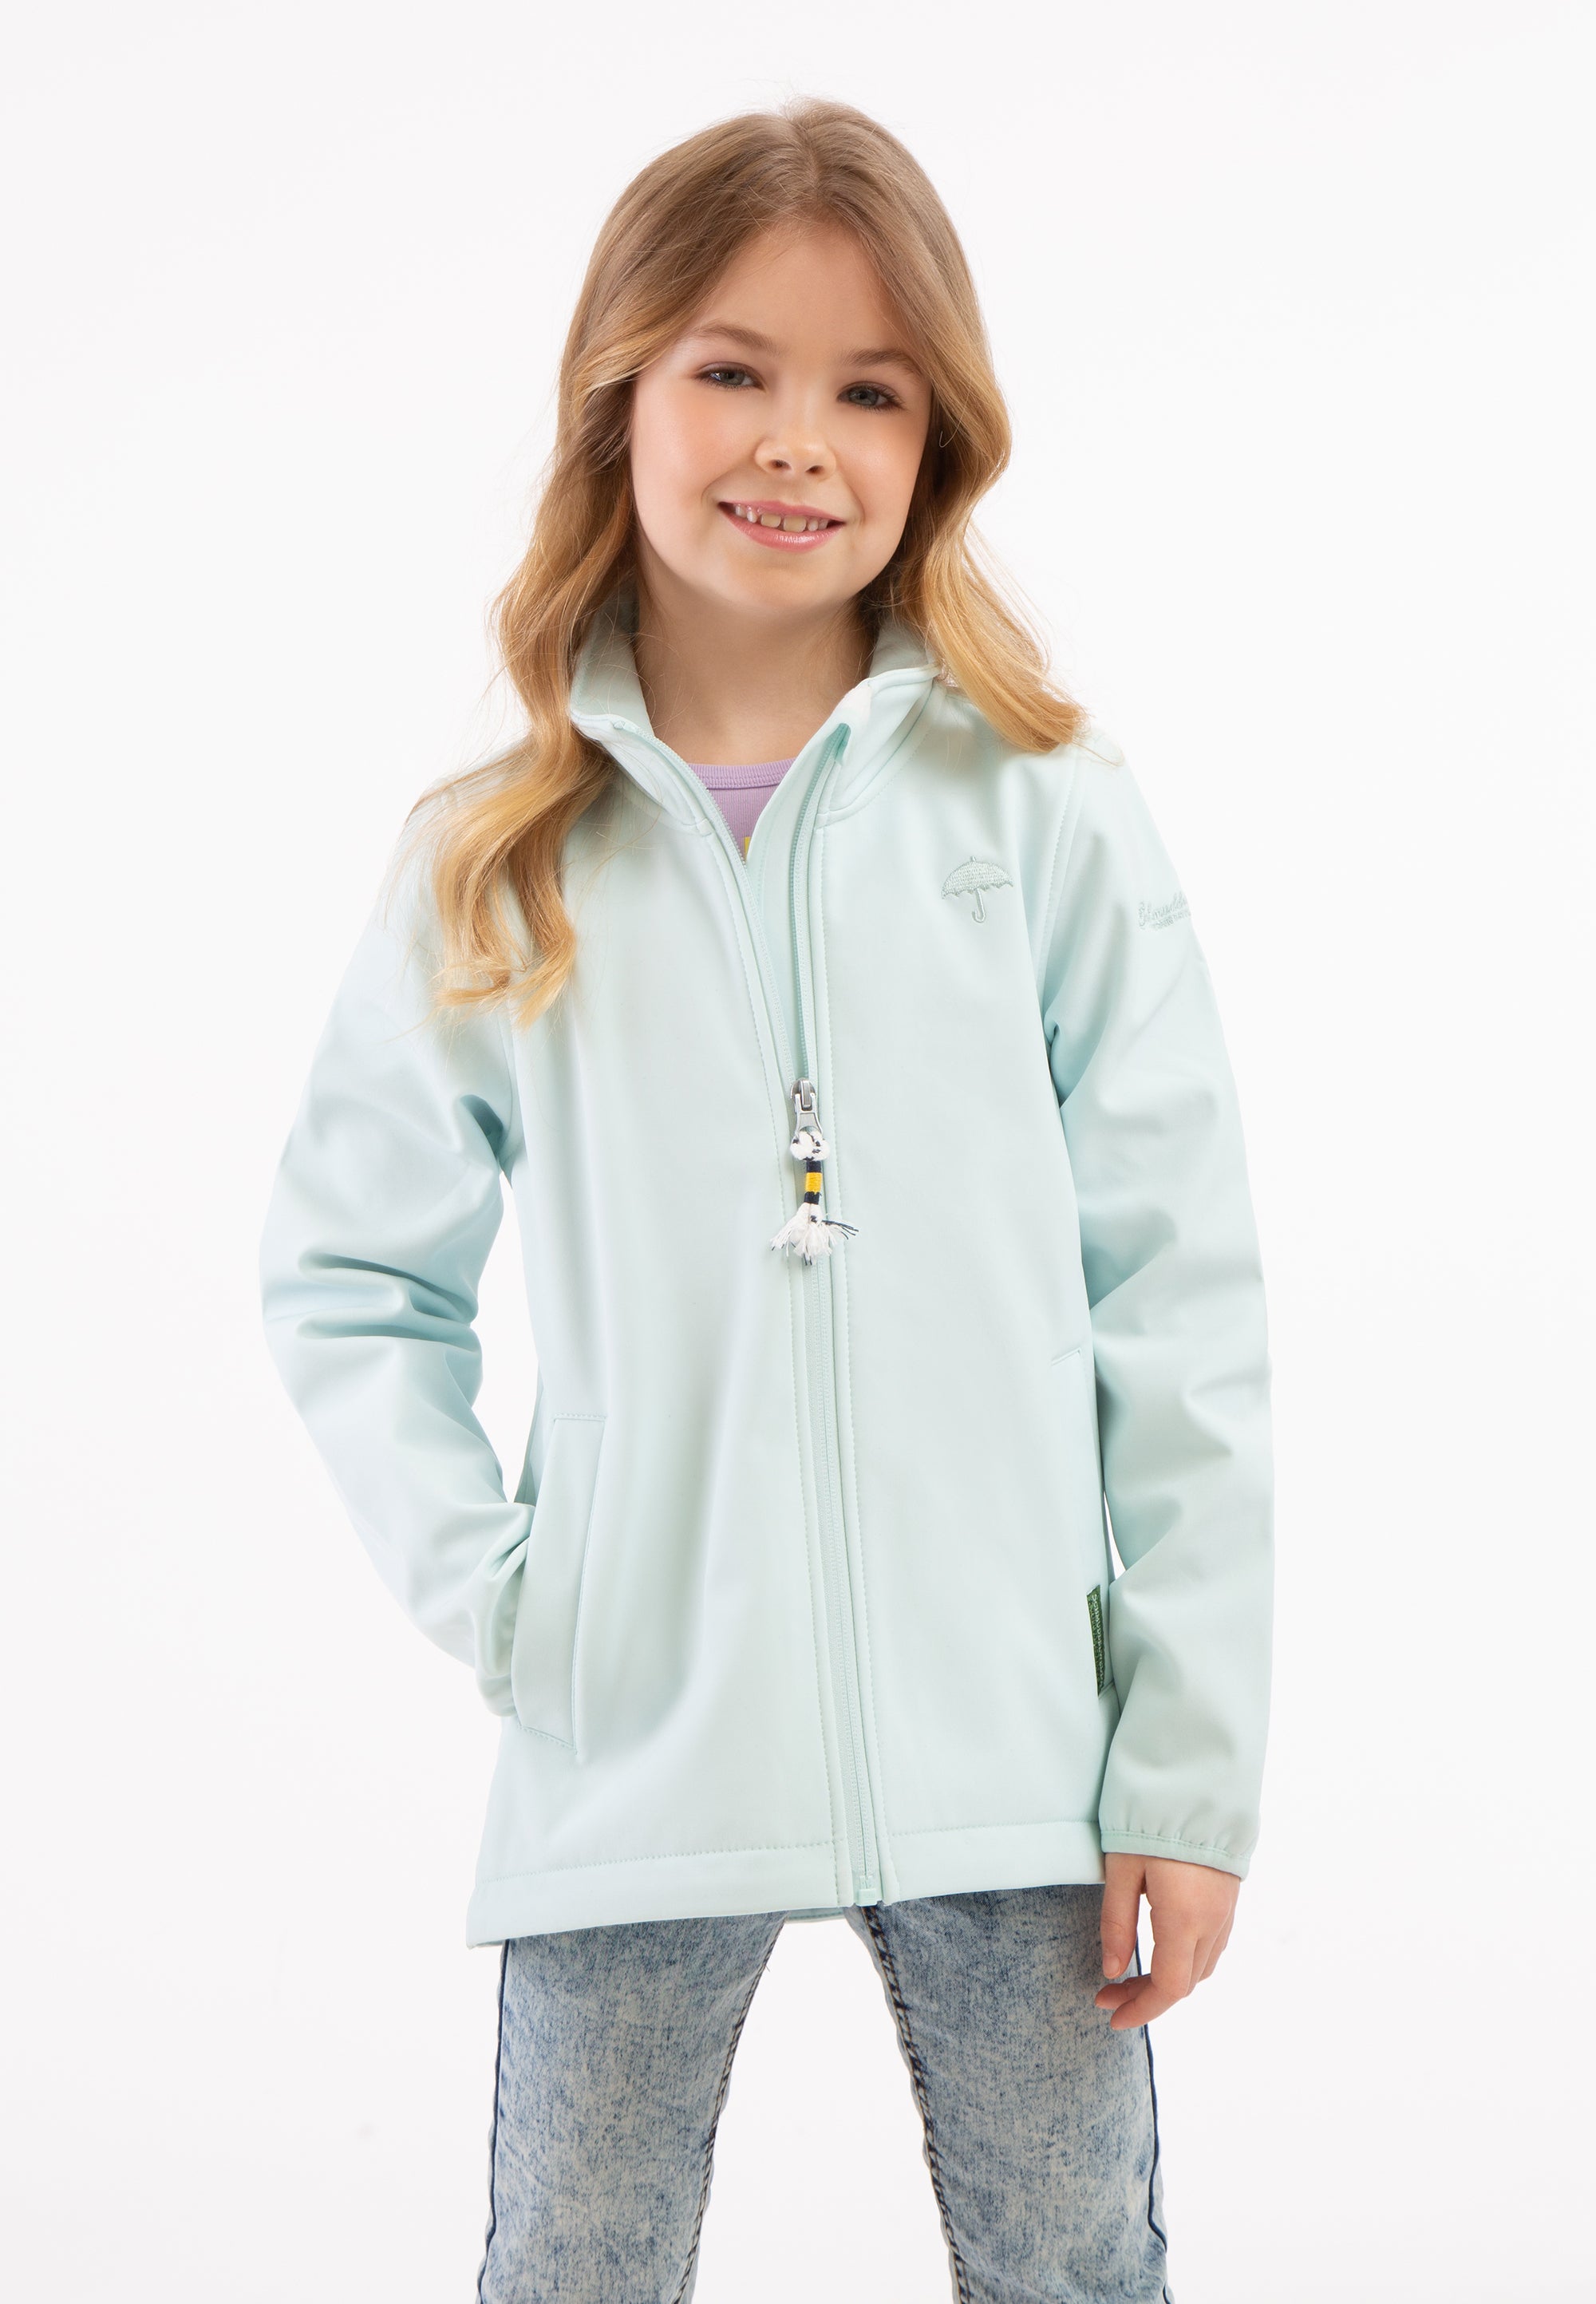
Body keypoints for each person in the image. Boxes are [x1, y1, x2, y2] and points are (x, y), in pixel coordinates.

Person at [259, 96, 1273, 2304]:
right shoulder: (498, 860)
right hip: (637, 1742)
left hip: (1024, 1747)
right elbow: (347, 1275)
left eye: (870, 391)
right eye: (734, 368)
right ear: (619, 394)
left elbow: (1181, 1295)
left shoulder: (1046, 812)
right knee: (573, 2268)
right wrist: (520, 1605)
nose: (798, 440)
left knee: (1076, 2266)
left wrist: (1185, 1770)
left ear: (939, 441)